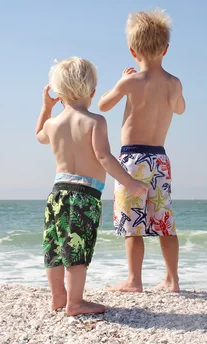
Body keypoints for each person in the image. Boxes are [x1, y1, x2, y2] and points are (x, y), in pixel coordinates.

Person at [36, 57, 148, 315]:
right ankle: (75, 302)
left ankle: (58, 297)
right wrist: (129, 182)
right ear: (92, 92)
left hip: (56, 195)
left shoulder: (53, 125)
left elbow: (39, 135)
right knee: (77, 250)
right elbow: (104, 157)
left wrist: (45, 108)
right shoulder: (96, 121)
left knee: (53, 248)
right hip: (84, 196)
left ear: (59, 93)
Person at [98, 9, 186, 293]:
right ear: (166, 49)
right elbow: (180, 109)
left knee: (132, 221)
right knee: (163, 220)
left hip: (132, 159)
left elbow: (103, 105)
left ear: (133, 51)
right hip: (159, 159)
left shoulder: (131, 81)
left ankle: (134, 280)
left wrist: (120, 81)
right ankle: (172, 280)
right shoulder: (173, 83)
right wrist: (173, 95)